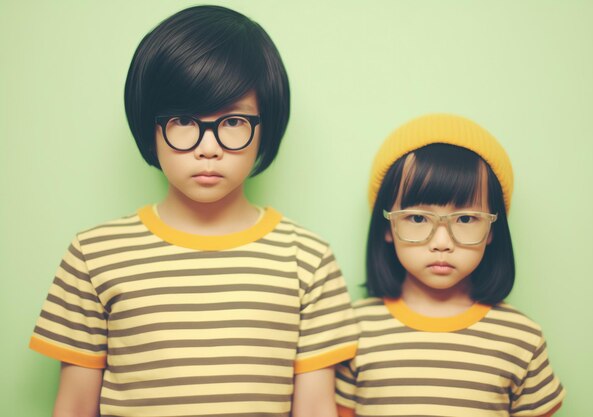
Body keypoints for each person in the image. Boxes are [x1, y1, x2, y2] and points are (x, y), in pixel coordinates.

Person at [29, 6, 358, 417]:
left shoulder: (308, 260)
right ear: (149, 124)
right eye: (184, 119)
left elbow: (314, 408)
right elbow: (75, 406)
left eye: (234, 120)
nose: (208, 146)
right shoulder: (93, 256)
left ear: (265, 128)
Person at [335, 114, 565, 417]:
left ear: (492, 230)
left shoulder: (522, 338)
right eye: (417, 218)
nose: (442, 241)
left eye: (466, 218)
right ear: (388, 226)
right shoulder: (354, 330)